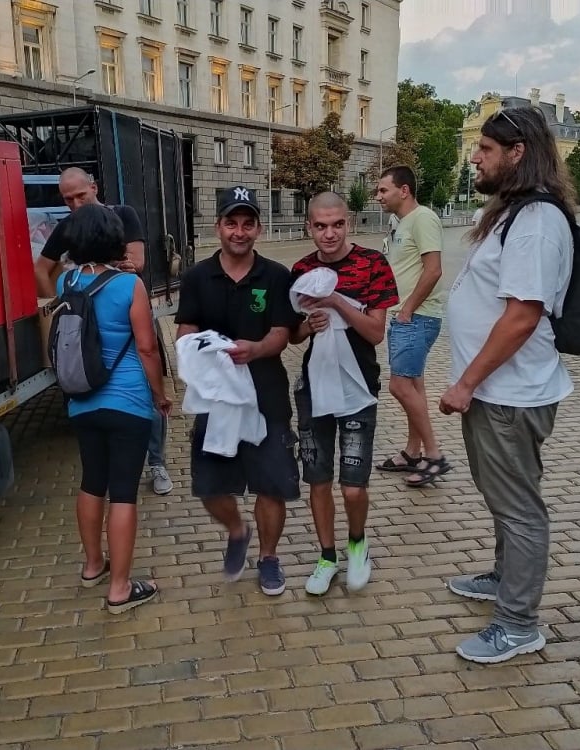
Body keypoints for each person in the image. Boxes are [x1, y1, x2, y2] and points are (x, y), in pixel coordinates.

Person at [439, 105, 575, 663]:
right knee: (505, 498)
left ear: (517, 153)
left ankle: (519, 623)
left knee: (520, 508)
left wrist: (466, 382)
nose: (475, 156)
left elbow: (522, 316)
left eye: (486, 149)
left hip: (507, 396)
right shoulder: (513, 213)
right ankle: (503, 578)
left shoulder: (537, 222)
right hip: (498, 393)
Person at [175, 186, 301, 596]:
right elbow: (185, 329)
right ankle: (236, 530)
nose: (239, 231)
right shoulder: (196, 277)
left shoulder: (276, 276)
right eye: (232, 222)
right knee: (210, 486)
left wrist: (256, 350)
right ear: (219, 227)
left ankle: (268, 558)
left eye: (248, 224)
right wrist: (199, 351)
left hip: (267, 394)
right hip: (216, 398)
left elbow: (282, 334)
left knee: (271, 483)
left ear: (259, 229)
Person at [54, 204, 172, 614]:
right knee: (123, 492)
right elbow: (147, 347)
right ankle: (120, 589)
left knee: (92, 482)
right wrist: (159, 395)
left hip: (82, 399)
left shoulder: (66, 282)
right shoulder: (129, 286)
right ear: (114, 240)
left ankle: (92, 566)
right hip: (127, 401)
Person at [34, 167, 172, 497]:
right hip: (85, 320)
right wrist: (61, 303)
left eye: (81, 196)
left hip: (128, 310)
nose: (76, 204)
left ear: (94, 187)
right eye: (68, 200)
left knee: (145, 378)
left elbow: (135, 263)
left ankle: (157, 462)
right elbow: (41, 269)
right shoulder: (70, 226)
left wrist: (91, 272)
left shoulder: (122, 214)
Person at [290, 192, 398, 596]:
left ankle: (358, 544)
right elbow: (293, 334)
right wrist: (308, 325)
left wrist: (337, 301)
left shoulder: (373, 264)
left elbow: (375, 332)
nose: (329, 233)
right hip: (313, 388)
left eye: (337, 224)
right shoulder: (301, 270)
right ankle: (326, 556)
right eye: (320, 225)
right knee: (317, 478)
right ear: (309, 227)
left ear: (348, 222)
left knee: (352, 485)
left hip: (358, 388)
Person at [374, 165, 451, 487]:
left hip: (416, 317)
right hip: (404, 315)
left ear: (403, 190)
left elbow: (433, 270)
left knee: (400, 386)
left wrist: (407, 309)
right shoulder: (398, 222)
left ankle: (434, 457)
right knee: (414, 386)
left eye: (383, 190)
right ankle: (412, 451)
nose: (378, 196)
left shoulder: (424, 219)